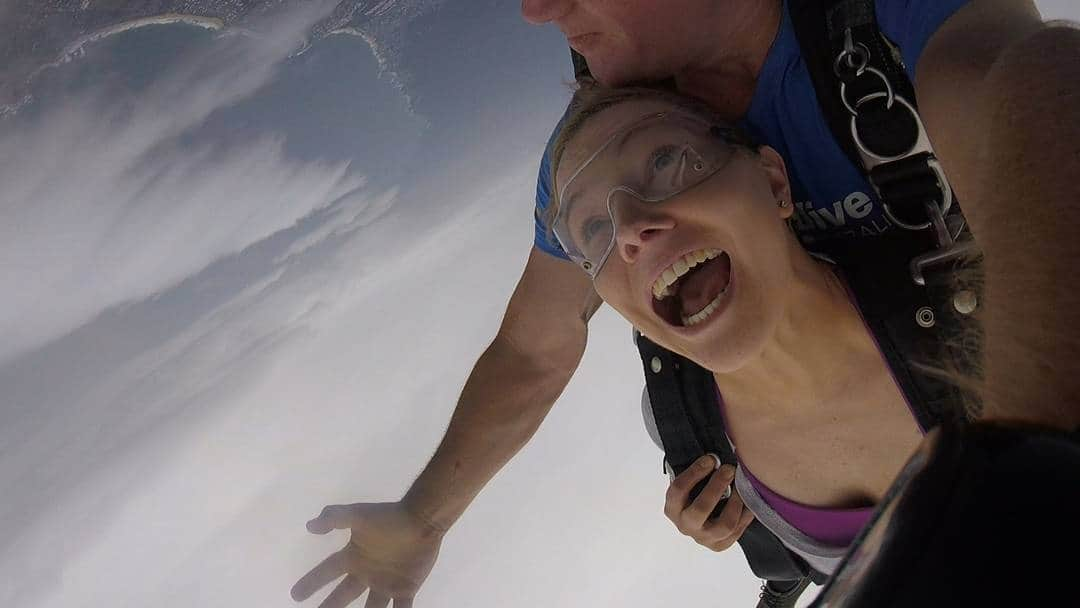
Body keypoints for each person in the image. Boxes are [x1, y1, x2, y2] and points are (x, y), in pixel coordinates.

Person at [291, 2, 1080, 606]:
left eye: (670, 163)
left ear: (770, 179)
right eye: (597, 228)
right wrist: (426, 516)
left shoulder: (881, 24)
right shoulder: (597, 155)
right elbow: (537, 347)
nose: (534, 11)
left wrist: (1028, 490)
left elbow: (1033, 88)